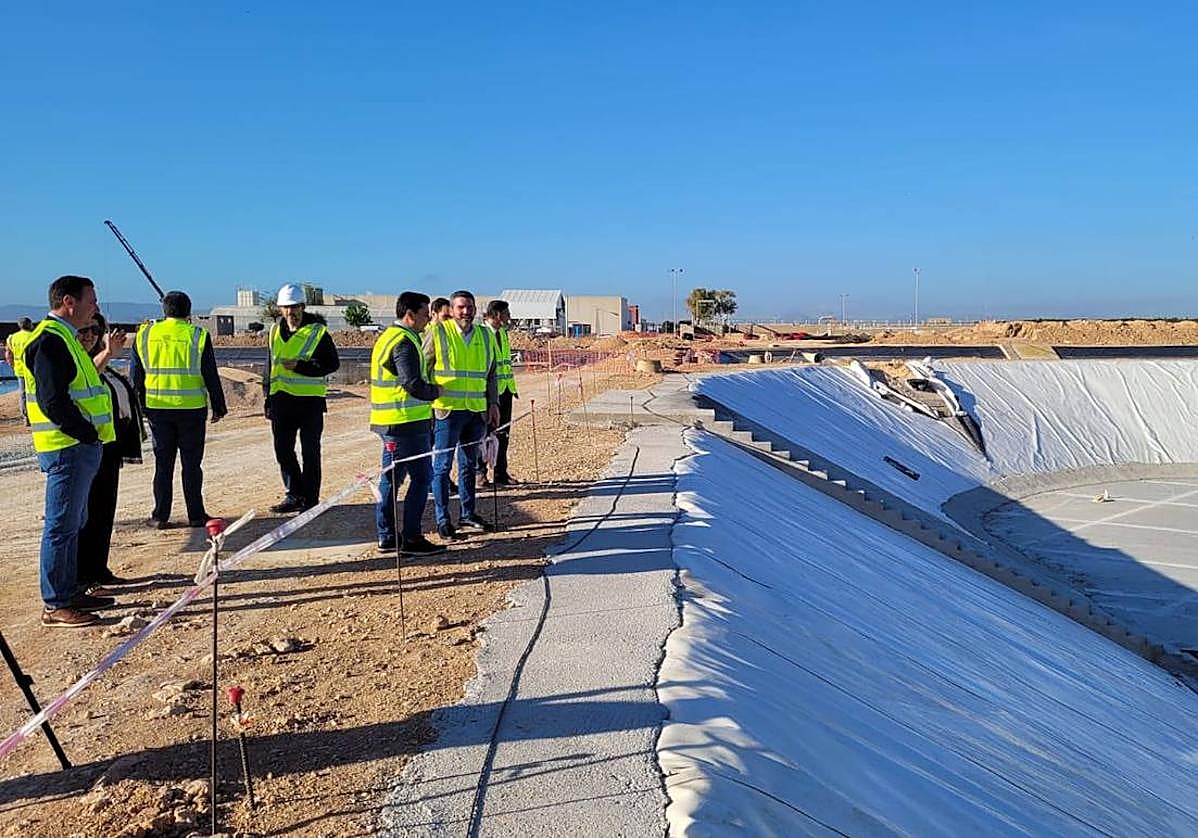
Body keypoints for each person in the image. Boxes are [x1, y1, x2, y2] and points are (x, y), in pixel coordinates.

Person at [23, 276, 116, 628]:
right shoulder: (50, 341)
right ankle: (56, 603)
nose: (96, 306)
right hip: (67, 448)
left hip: (78, 447)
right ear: (69, 301)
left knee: (74, 522)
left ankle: (70, 587)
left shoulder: (66, 338)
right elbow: (52, 400)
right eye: (91, 299)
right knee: (61, 525)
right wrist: (84, 432)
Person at [132, 291, 227, 528]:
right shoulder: (197, 335)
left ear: (164, 310)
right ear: (189, 311)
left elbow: (136, 375)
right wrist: (219, 405)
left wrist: (139, 405)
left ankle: (160, 516)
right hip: (192, 410)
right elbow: (210, 374)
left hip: (157, 409)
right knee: (191, 465)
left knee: (163, 465)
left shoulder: (145, 334)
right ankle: (196, 515)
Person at [371, 292, 443, 555]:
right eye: (425, 314)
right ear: (410, 315)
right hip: (404, 423)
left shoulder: (390, 337)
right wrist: (436, 392)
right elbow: (411, 383)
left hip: (393, 422)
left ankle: (388, 536)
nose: (428, 320)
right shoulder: (403, 341)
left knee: (392, 479)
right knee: (422, 478)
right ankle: (410, 537)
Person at [77, 311, 145, 590]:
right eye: (85, 330)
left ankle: (98, 569)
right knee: (88, 515)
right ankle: (84, 575)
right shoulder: (82, 364)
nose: (90, 335)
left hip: (109, 449)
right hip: (88, 449)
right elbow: (87, 378)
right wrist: (107, 352)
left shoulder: (107, 365)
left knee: (104, 512)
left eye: (95, 330)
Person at [425, 290, 499, 539]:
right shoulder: (438, 332)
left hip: (476, 411)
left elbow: (491, 374)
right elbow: (424, 368)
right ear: (452, 309)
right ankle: (442, 519)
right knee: (442, 466)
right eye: (460, 307)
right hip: (447, 411)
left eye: (469, 307)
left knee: (468, 464)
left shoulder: (485, 336)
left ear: (476, 309)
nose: (466, 312)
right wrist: (427, 400)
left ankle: (467, 514)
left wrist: (493, 404)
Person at [264, 283, 340, 513]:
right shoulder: (274, 331)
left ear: (303, 307)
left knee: (310, 453)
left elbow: (331, 364)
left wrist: (301, 367)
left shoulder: (318, 332)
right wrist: (267, 397)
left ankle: (310, 499)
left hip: (309, 403)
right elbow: (270, 367)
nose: (291, 312)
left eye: (295, 307)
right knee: (283, 451)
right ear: (279, 309)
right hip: (281, 401)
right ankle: (294, 494)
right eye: (286, 308)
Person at [479, 300, 520, 485]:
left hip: (505, 390)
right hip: (486, 394)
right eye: (506, 313)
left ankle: (500, 473)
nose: (509, 317)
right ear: (496, 315)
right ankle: (480, 473)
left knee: (503, 434)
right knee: (484, 435)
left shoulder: (503, 333)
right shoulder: (481, 334)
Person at [4, 317, 35, 426]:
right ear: (30, 325)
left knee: (22, 394)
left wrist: (12, 365)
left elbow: (8, 354)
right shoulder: (34, 336)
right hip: (33, 369)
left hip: (20, 369)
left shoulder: (12, 338)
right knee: (35, 392)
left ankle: (25, 417)